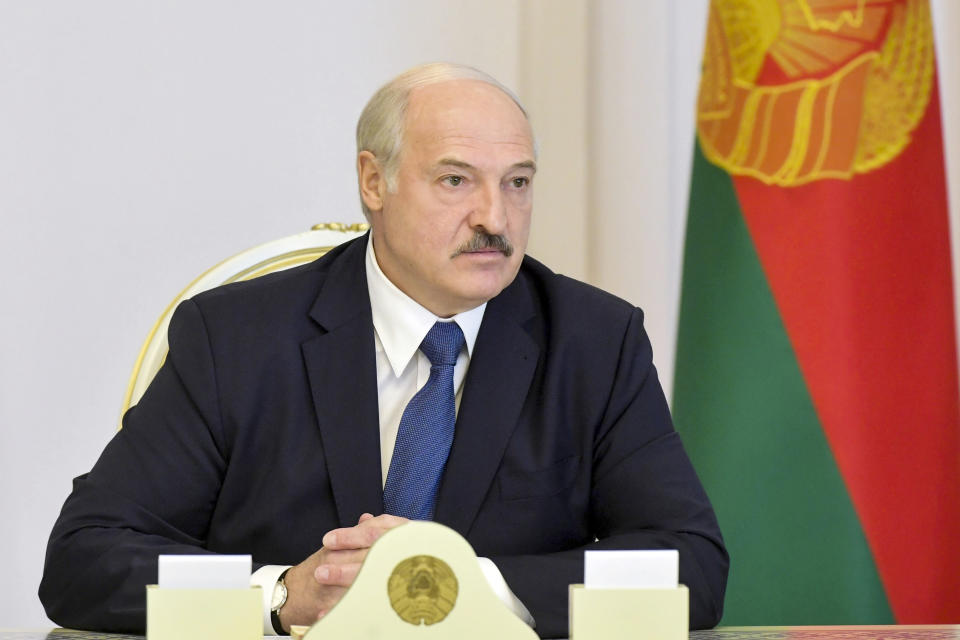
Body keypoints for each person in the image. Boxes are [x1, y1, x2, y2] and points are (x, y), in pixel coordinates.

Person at [39, 63, 728, 638]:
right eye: (456, 180)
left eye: (517, 182)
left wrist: (462, 583)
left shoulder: (593, 341)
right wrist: (279, 595)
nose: (496, 217)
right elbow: (85, 560)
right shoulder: (237, 340)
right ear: (374, 182)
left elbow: (688, 568)